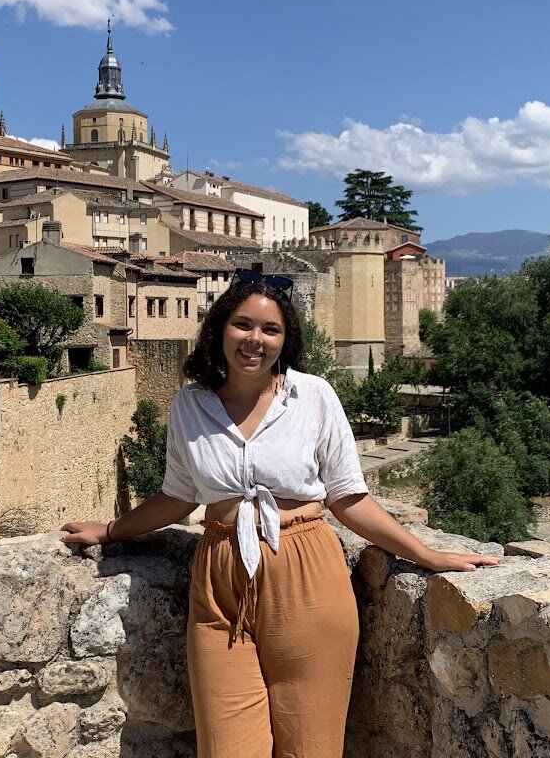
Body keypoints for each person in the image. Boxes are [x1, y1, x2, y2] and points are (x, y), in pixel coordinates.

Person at [62, 269, 499, 757]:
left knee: (309, 748)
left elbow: (348, 497)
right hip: (221, 579)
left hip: (306, 571)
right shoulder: (190, 404)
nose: (255, 340)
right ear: (219, 329)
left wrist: (426, 555)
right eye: (243, 325)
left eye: (271, 330)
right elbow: (181, 495)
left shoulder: (312, 396)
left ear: (286, 340)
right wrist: (113, 529)